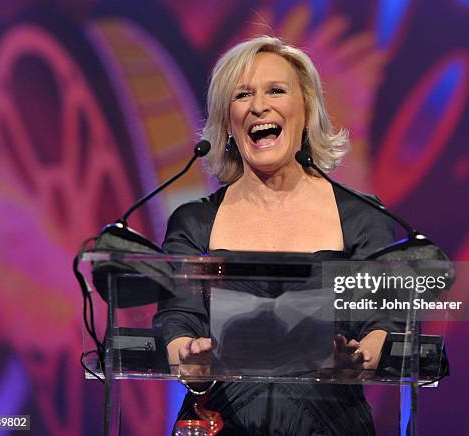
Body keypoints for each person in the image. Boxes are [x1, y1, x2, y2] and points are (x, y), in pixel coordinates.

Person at [153, 36, 397, 435]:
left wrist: (362, 358)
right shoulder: (194, 222)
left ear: (306, 110)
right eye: (242, 95)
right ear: (228, 122)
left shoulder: (360, 215)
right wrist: (190, 362)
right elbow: (178, 318)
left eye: (276, 91)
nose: (258, 106)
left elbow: (382, 317)